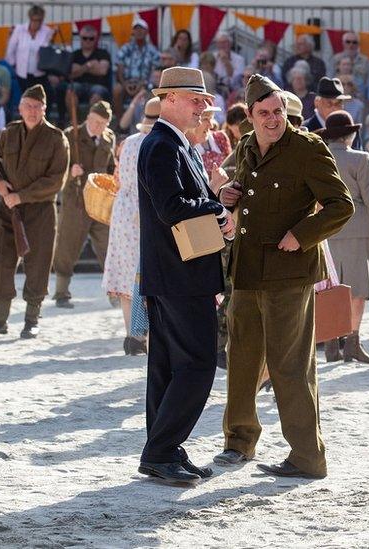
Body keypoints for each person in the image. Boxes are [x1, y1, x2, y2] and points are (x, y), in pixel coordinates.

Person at [213, 74, 353, 479]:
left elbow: (340, 205)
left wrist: (302, 234)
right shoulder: (244, 147)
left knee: (290, 365)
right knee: (241, 358)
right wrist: (227, 197)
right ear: (251, 117)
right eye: (264, 113)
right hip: (247, 272)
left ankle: (307, 456)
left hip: (289, 274)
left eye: (277, 111)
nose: (273, 119)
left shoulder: (307, 147)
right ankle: (238, 442)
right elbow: (244, 196)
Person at [136, 67, 234, 486]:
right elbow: (172, 207)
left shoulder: (175, 145)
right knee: (196, 364)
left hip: (175, 273)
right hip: (179, 275)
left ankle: (164, 450)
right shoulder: (162, 146)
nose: (202, 107)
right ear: (170, 98)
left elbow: (182, 201)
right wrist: (217, 211)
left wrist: (214, 204)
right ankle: (160, 450)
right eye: (196, 100)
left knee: (168, 366)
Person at [0, 85, 70, 339]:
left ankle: (31, 319)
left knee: (38, 264)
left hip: (39, 212)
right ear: (20, 108)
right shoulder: (8, 133)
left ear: (44, 109)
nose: (32, 111)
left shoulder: (55, 139)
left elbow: (55, 180)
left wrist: (21, 195)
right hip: (7, 210)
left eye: (36, 106)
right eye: (27, 106)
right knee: (2, 262)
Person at [316, 111, 369, 363]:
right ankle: (352, 342)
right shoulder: (360, 159)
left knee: (330, 288)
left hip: (326, 228)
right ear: (349, 135)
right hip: (358, 229)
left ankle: (330, 343)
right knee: (357, 290)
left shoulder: (319, 158)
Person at [103, 97, 159, 355]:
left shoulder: (127, 144)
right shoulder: (155, 144)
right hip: (143, 209)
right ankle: (143, 333)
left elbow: (117, 177)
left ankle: (131, 335)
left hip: (123, 209)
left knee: (127, 275)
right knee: (144, 274)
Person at [51, 101, 116, 309]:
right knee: (67, 245)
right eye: (96, 121)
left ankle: (115, 293)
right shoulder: (70, 136)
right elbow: (56, 167)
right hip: (76, 201)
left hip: (100, 202)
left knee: (109, 248)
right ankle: (61, 292)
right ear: (88, 117)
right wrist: (71, 173)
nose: (99, 127)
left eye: (103, 123)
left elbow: (111, 166)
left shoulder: (109, 138)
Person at [57, 25, 112, 125]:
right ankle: (75, 124)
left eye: (91, 38)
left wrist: (80, 69)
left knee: (96, 96)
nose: (87, 41)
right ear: (80, 39)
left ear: (95, 39)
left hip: (98, 86)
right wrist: (89, 65)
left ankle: (91, 124)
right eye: (84, 38)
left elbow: (103, 71)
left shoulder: (103, 53)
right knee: (70, 92)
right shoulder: (75, 54)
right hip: (78, 85)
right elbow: (71, 75)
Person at [5, 5, 54, 99]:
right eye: (34, 20)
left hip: (40, 72)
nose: (37, 23)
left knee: (43, 97)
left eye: (40, 20)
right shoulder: (19, 29)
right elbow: (11, 48)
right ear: (30, 18)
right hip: (22, 72)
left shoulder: (47, 31)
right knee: (28, 98)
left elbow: (48, 51)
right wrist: (14, 64)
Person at [113, 18, 160, 115]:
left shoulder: (152, 51)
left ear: (146, 32)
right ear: (133, 31)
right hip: (126, 82)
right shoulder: (125, 48)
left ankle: (145, 122)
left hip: (144, 84)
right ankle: (120, 122)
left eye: (141, 29)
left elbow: (154, 71)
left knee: (150, 92)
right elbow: (119, 68)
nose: (138, 31)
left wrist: (143, 84)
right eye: (136, 29)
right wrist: (124, 84)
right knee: (117, 90)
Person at [304, 77, 361, 150]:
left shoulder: (351, 129)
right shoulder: (306, 130)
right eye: (329, 103)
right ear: (317, 103)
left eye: (338, 103)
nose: (334, 108)